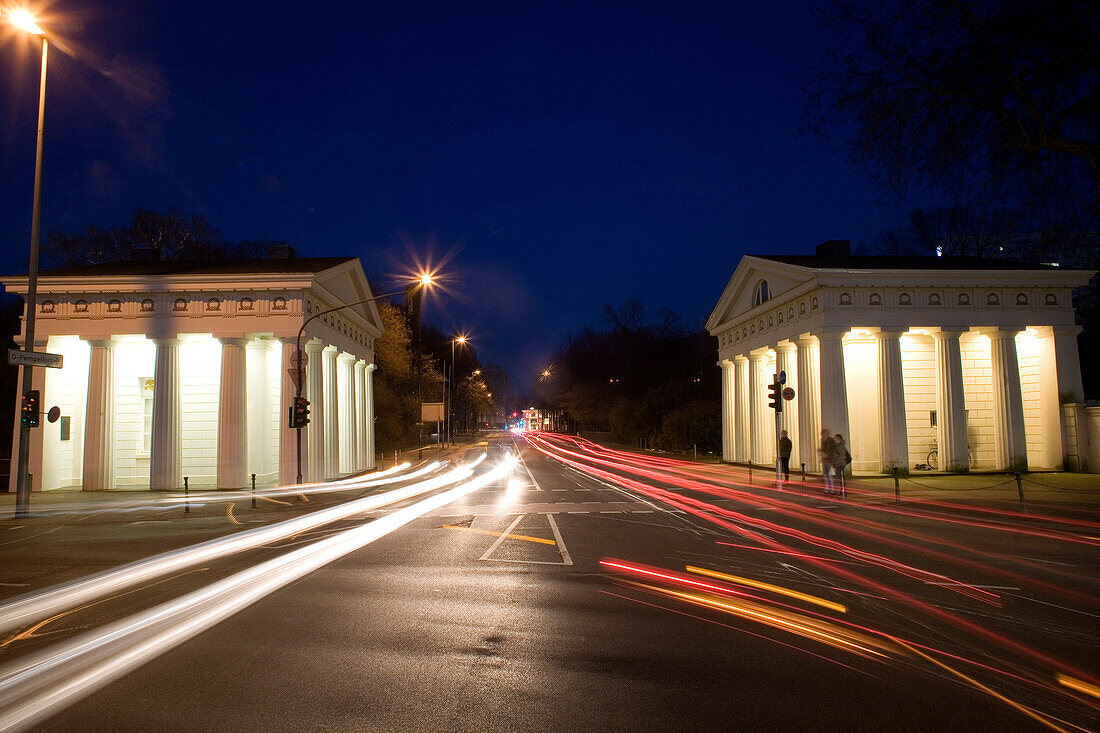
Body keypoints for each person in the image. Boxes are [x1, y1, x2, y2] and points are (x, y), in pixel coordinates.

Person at [833, 434, 851, 499]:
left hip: (840, 464)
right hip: (839, 464)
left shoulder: (840, 446)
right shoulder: (838, 446)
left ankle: (844, 492)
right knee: (840, 479)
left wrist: (836, 464)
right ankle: (842, 491)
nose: (834, 440)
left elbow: (841, 456)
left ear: (838, 439)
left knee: (841, 479)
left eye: (835, 438)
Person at [819, 428, 836, 494]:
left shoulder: (831, 441)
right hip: (825, 459)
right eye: (822, 434)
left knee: (831, 475)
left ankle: (833, 489)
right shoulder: (822, 441)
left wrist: (826, 455)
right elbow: (823, 449)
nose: (823, 436)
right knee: (825, 475)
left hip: (830, 460)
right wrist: (821, 452)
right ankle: (827, 488)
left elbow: (832, 451)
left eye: (824, 434)